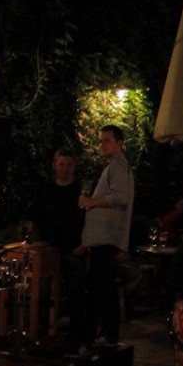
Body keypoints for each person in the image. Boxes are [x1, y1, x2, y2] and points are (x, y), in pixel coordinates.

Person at [73, 124, 134, 350]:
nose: (102, 145)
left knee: (102, 288)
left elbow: (121, 197)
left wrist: (92, 202)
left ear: (119, 143)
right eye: (101, 141)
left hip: (105, 239)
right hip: (102, 238)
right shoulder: (114, 166)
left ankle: (104, 336)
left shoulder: (118, 166)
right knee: (105, 288)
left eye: (107, 141)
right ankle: (107, 335)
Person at [26, 149, 86, 327]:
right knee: (42, 287)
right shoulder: (45, 190)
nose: (65, 169)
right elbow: (34, 217)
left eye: (69, 164)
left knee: (76, 287)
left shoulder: (81, 191)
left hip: (73, 247)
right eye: (61, 164)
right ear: (54, 166)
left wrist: (85, 244)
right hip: (48, 248)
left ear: (74, 166)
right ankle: (42, 325)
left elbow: (89, 219)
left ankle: (76, 327)